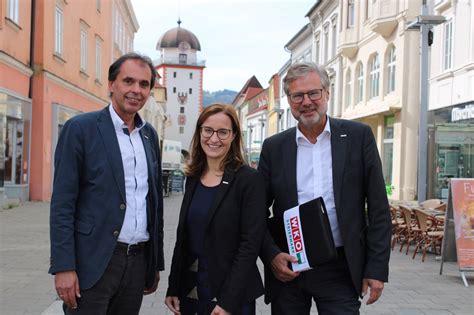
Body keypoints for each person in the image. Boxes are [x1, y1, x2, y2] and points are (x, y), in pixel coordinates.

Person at [258, 62, 391, 314]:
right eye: (297, 95)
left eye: (313, 93)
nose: (306, 101)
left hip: (340, 267)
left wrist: (376, 268)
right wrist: (272, 255)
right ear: (289, 100)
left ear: (327, 93)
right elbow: (256, 212)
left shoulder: (358, 137)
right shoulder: (274, 148)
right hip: (290, 266)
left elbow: (378, 209)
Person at [49, 52, 164, 315]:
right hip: (93, 263)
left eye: (144, 84)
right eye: (128, 81)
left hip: (137, 263)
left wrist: (154, 264)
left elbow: (153, 203)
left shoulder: (149, 135)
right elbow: (63, 205)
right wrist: (63, 267)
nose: (136, 90)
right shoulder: (81, 129)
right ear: (112, 84)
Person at [165, 104, 266, 315]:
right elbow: (183, 238)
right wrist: (173, 286)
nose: (214, 138)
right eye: (208, 130)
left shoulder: (249, 180)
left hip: (231, 296)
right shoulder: (193, 177)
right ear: (200, 132)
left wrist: (228, 301)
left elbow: (250, 245)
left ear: (233, 136)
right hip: (191, 291)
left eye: (223, 132)